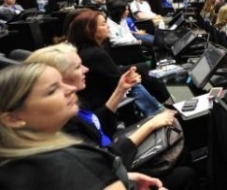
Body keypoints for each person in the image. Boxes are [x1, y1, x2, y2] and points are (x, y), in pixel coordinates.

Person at [24, 45, 193, 189]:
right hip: (117, 161)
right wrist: (150, 125)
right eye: (77, 67)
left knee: (176, 133)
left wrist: (120, 90)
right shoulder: (64, 125)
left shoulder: (77, 101)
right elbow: (106, 161)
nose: (86, 69)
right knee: (186, 172)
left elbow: (98, 125)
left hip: (115, 153)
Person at [0, 63, 165, 190]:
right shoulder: (75, 161)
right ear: (13, 118)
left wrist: (122, 176)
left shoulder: (13, 163)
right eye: (52, 90)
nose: (70, 89)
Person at [68, 11, 171, 115]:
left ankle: (163, 106)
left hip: (99, 89)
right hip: (101, 98)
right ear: (89, 30)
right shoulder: (95, 54)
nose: (108, 26)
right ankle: (159, 112)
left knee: (141, 69)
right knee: (135, 82)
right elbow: (117, 81)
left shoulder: (85, 48)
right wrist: (132, 78)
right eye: (103, 24)